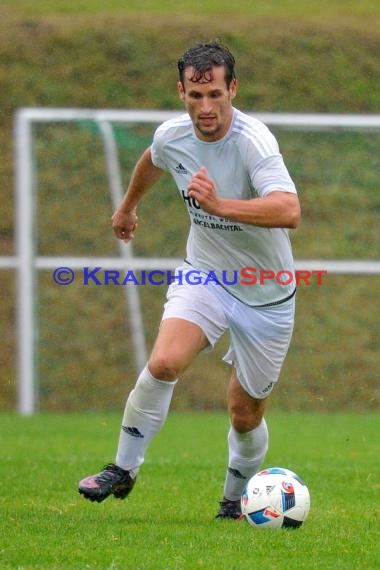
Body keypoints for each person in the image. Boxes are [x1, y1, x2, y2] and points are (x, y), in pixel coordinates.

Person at [78, 42, 301, 519]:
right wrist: (127, 206)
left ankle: (233, 502)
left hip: (267, 293)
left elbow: (289, 210)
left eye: (215, 94)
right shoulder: (173, 135)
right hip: (205, 275)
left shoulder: (253, 142)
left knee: (245, 414)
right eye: (195, 95)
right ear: (181, 91)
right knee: (163, 363)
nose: (206, 107)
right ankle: (123, 467)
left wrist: (220, 205)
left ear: (232, 90)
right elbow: (154, 159)